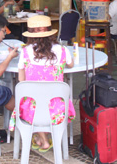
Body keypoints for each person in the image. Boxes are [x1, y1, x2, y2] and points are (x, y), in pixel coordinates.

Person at [9, 15, 75, 152]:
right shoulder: (62, 50)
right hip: (57, 110)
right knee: (46, 100)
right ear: (50, 32)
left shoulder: (26, 52)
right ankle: (43, 138)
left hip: (32, 111)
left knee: (28, 101)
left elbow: (22, 81)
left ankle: (41, 138)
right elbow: (70, 64)